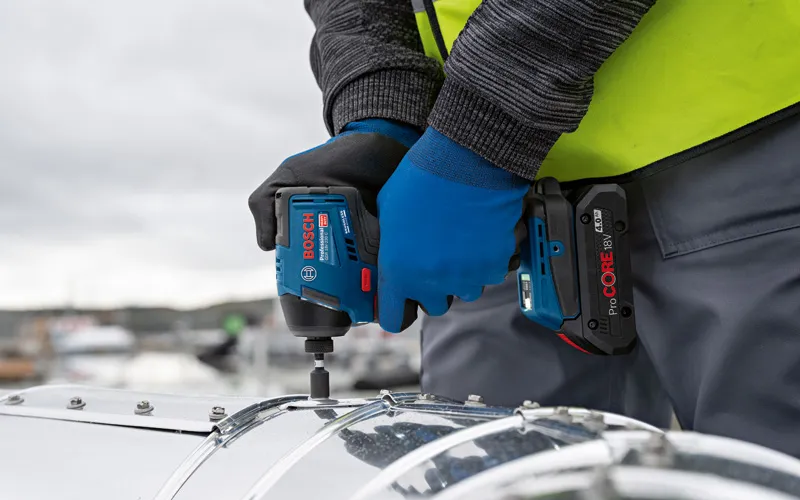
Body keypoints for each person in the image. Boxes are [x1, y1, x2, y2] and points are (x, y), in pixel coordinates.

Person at [249, 1, 800, 456]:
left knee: (774, 481)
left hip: (746, 147)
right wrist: (385, 108)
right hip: (483, 199)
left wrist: (479, 136)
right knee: (490, 493)